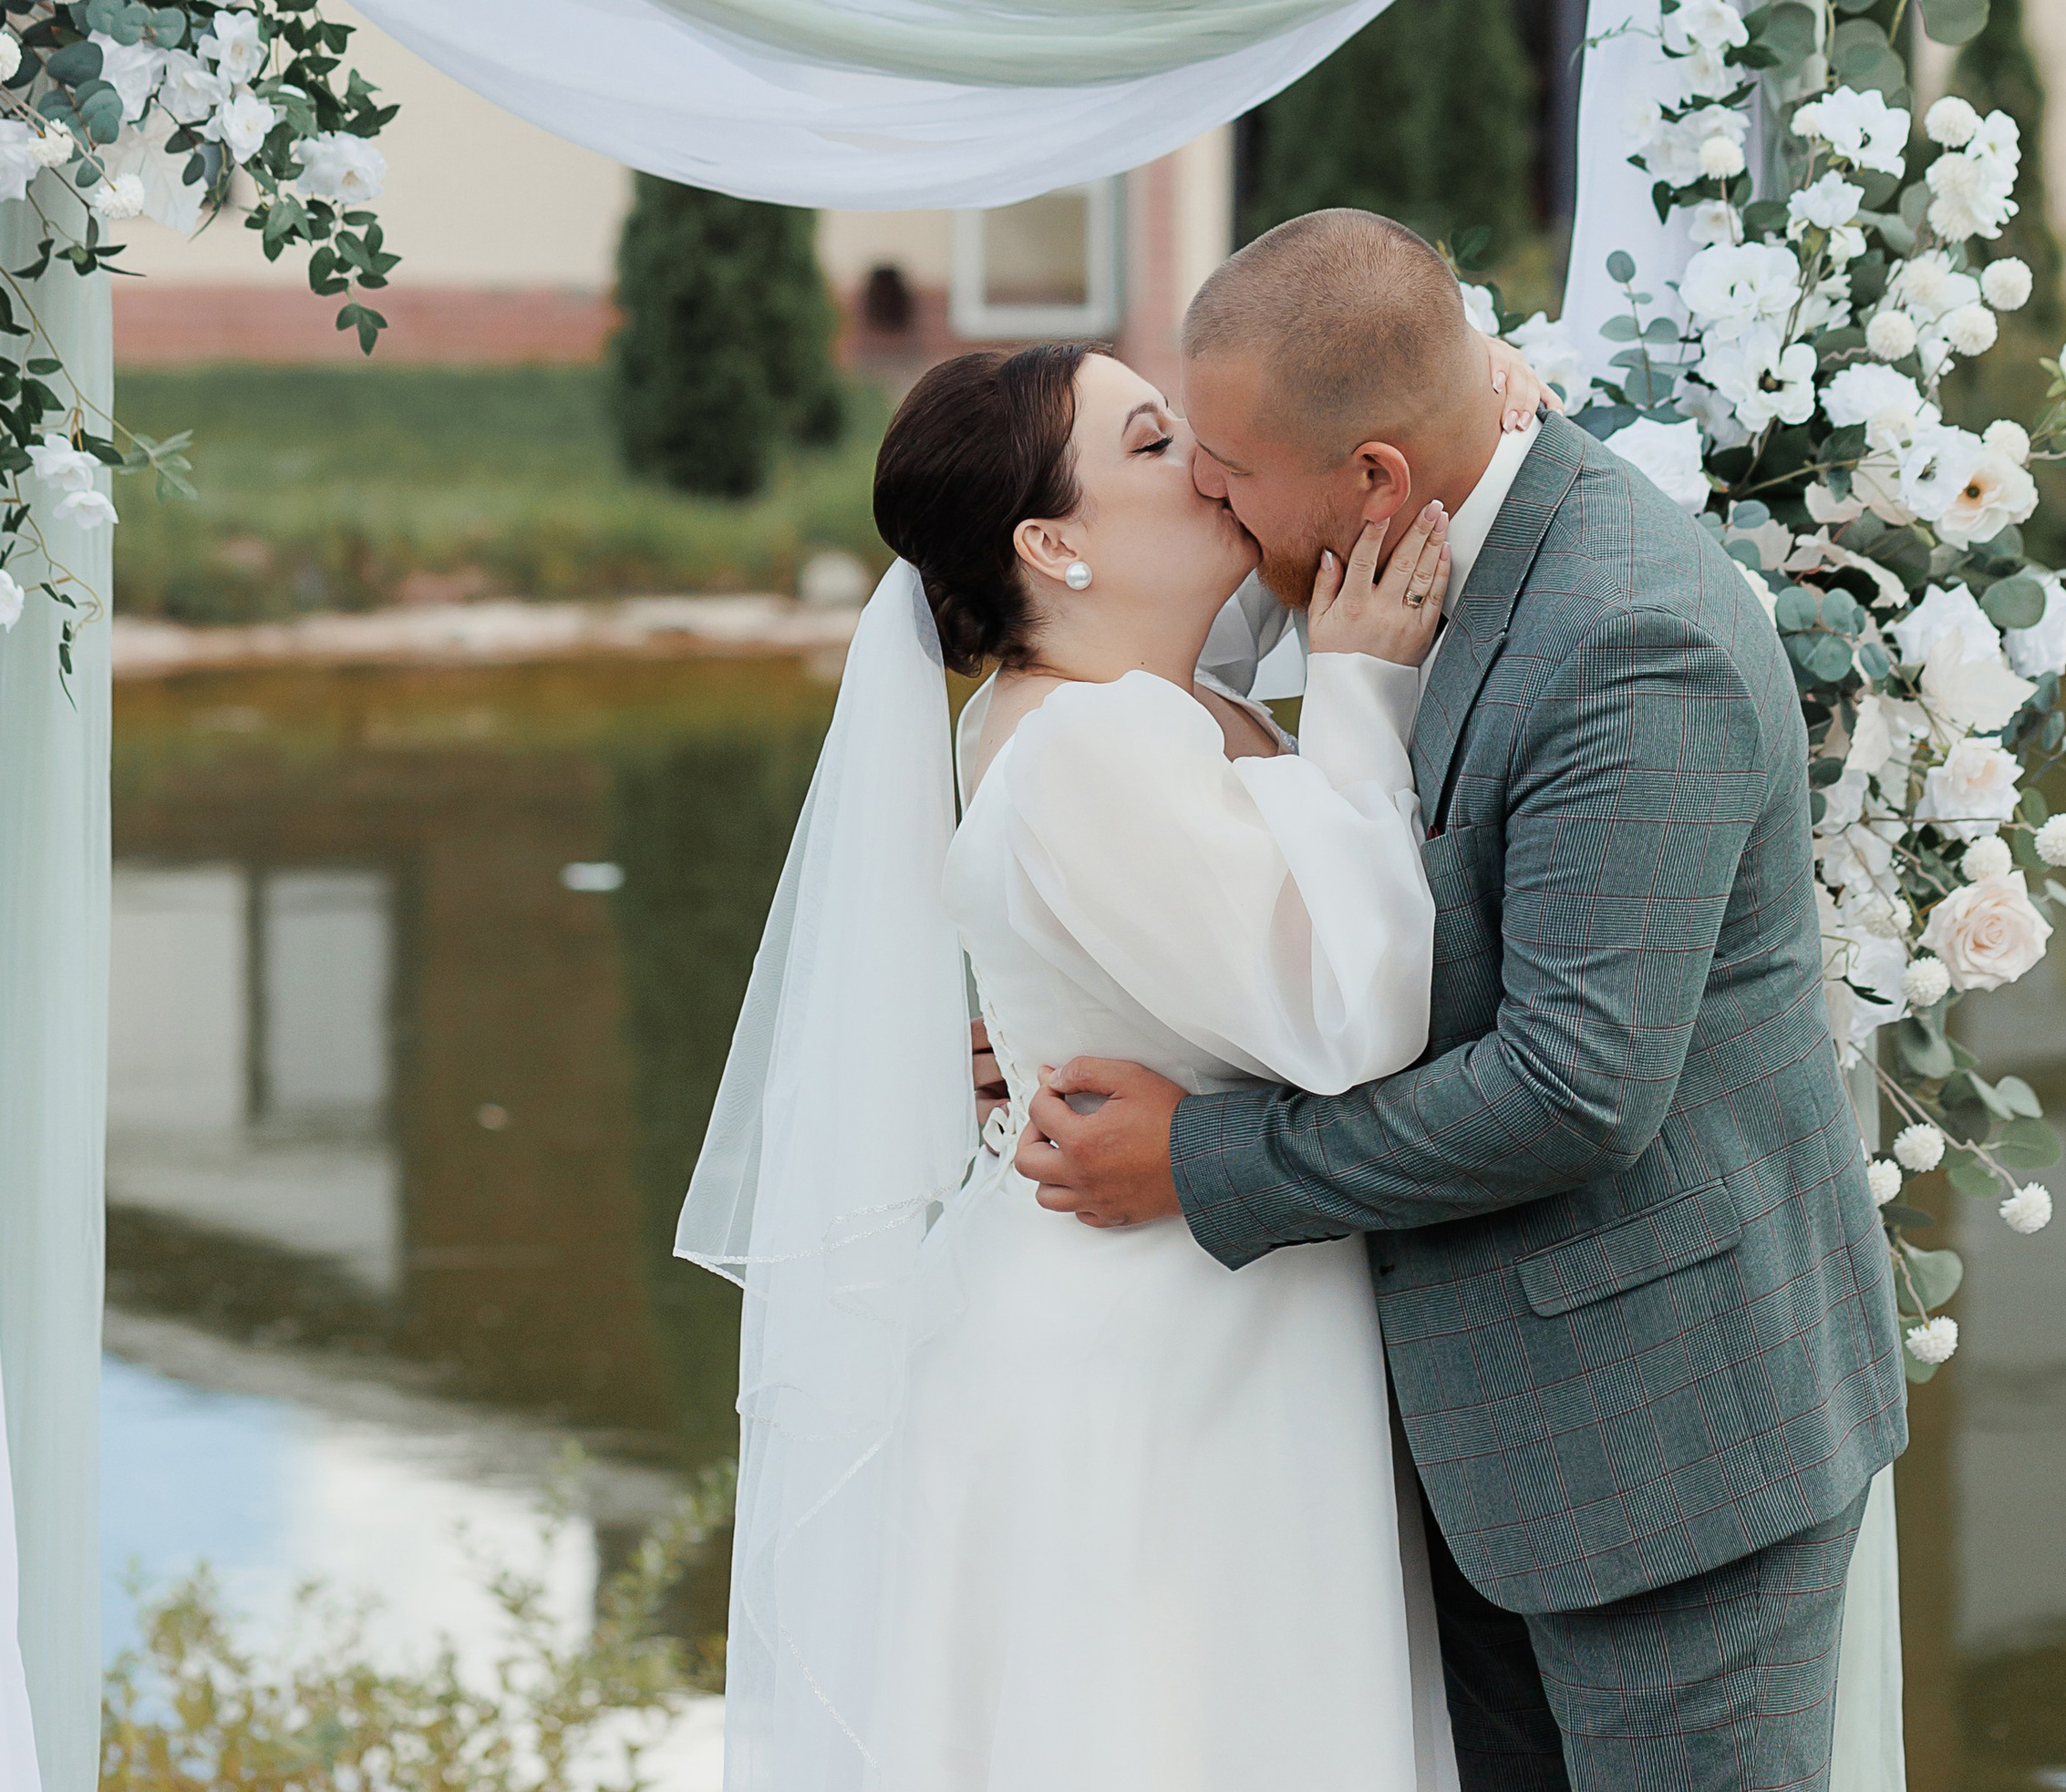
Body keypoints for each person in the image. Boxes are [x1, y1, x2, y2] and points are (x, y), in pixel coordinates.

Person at [1018, 210, 1909, 1792]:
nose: (1206, 494)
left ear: (1372, 474)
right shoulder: (1373, 532)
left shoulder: (1630, 637)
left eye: (1224, 462)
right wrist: (1076, 1009)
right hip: (1470, 1439)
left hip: (1670, 1449)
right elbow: (1115, 660)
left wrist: (1201, 1157)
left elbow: (1575, 1085)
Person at [681, 319, 1546, 1792]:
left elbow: (1309, 531)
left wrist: (1483, 395)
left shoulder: (1150, 698)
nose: (1209, 464)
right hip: (1150, 1356)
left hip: (1215, 1314)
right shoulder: (1087, 748)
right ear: (1054, 545)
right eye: (1153, 445)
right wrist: (1358, 698)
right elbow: (1349, 1011)